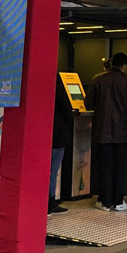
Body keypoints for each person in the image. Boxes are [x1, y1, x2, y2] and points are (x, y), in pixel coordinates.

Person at [86, 53, 127, 212]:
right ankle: (118, 201)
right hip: (122, 132)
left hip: (101, 130)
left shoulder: (97, 79)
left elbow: (88, 102)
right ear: (124, 65)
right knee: (120, 166)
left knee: (104, 166)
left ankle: (104, 201)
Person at [49, 77, 75, 214]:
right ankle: (50, 202)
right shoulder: (58, 90)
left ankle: (40, 200)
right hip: (58, 137)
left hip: (42, 137)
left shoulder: (39, 89)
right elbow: (68, 112)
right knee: (53, 170)